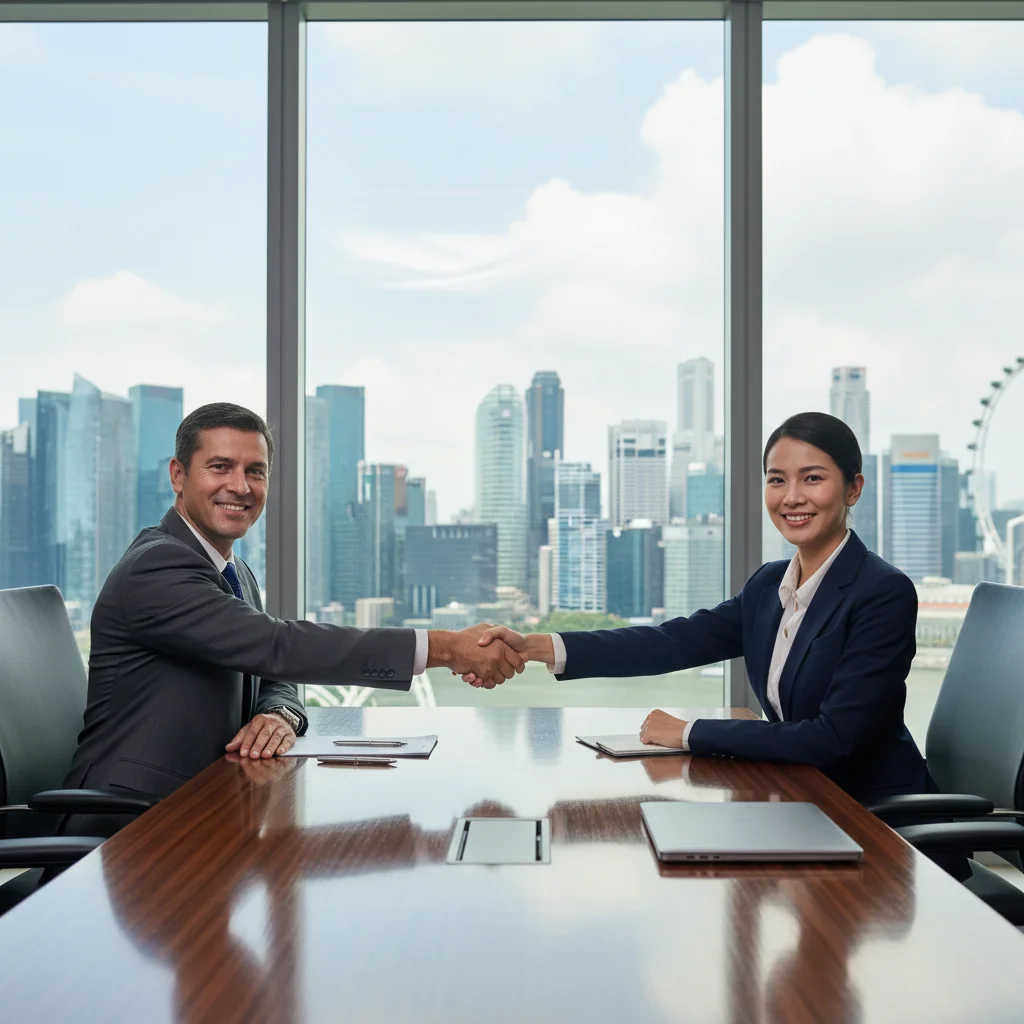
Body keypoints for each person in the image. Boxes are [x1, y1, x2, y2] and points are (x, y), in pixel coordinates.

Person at [64, 402, 523, 802]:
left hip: (208, 805)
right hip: (128, 826)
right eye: (220, 467)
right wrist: (446, 648)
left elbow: (272, 671)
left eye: (255, 471)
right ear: (178, 475)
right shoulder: (158, 567)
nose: (241, 486)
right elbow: (281, 647)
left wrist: (279, 713)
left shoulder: (232, 571)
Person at [470, 412, 931, 803]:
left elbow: (832, 740)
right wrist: (534, 647)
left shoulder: (881, 592)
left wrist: (689, 731)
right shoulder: (771, 583)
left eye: (813, 478)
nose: (791, 497)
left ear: (853, 488)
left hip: (876, 818)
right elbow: (671, 643)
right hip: (800, 801)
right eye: (777, 480)